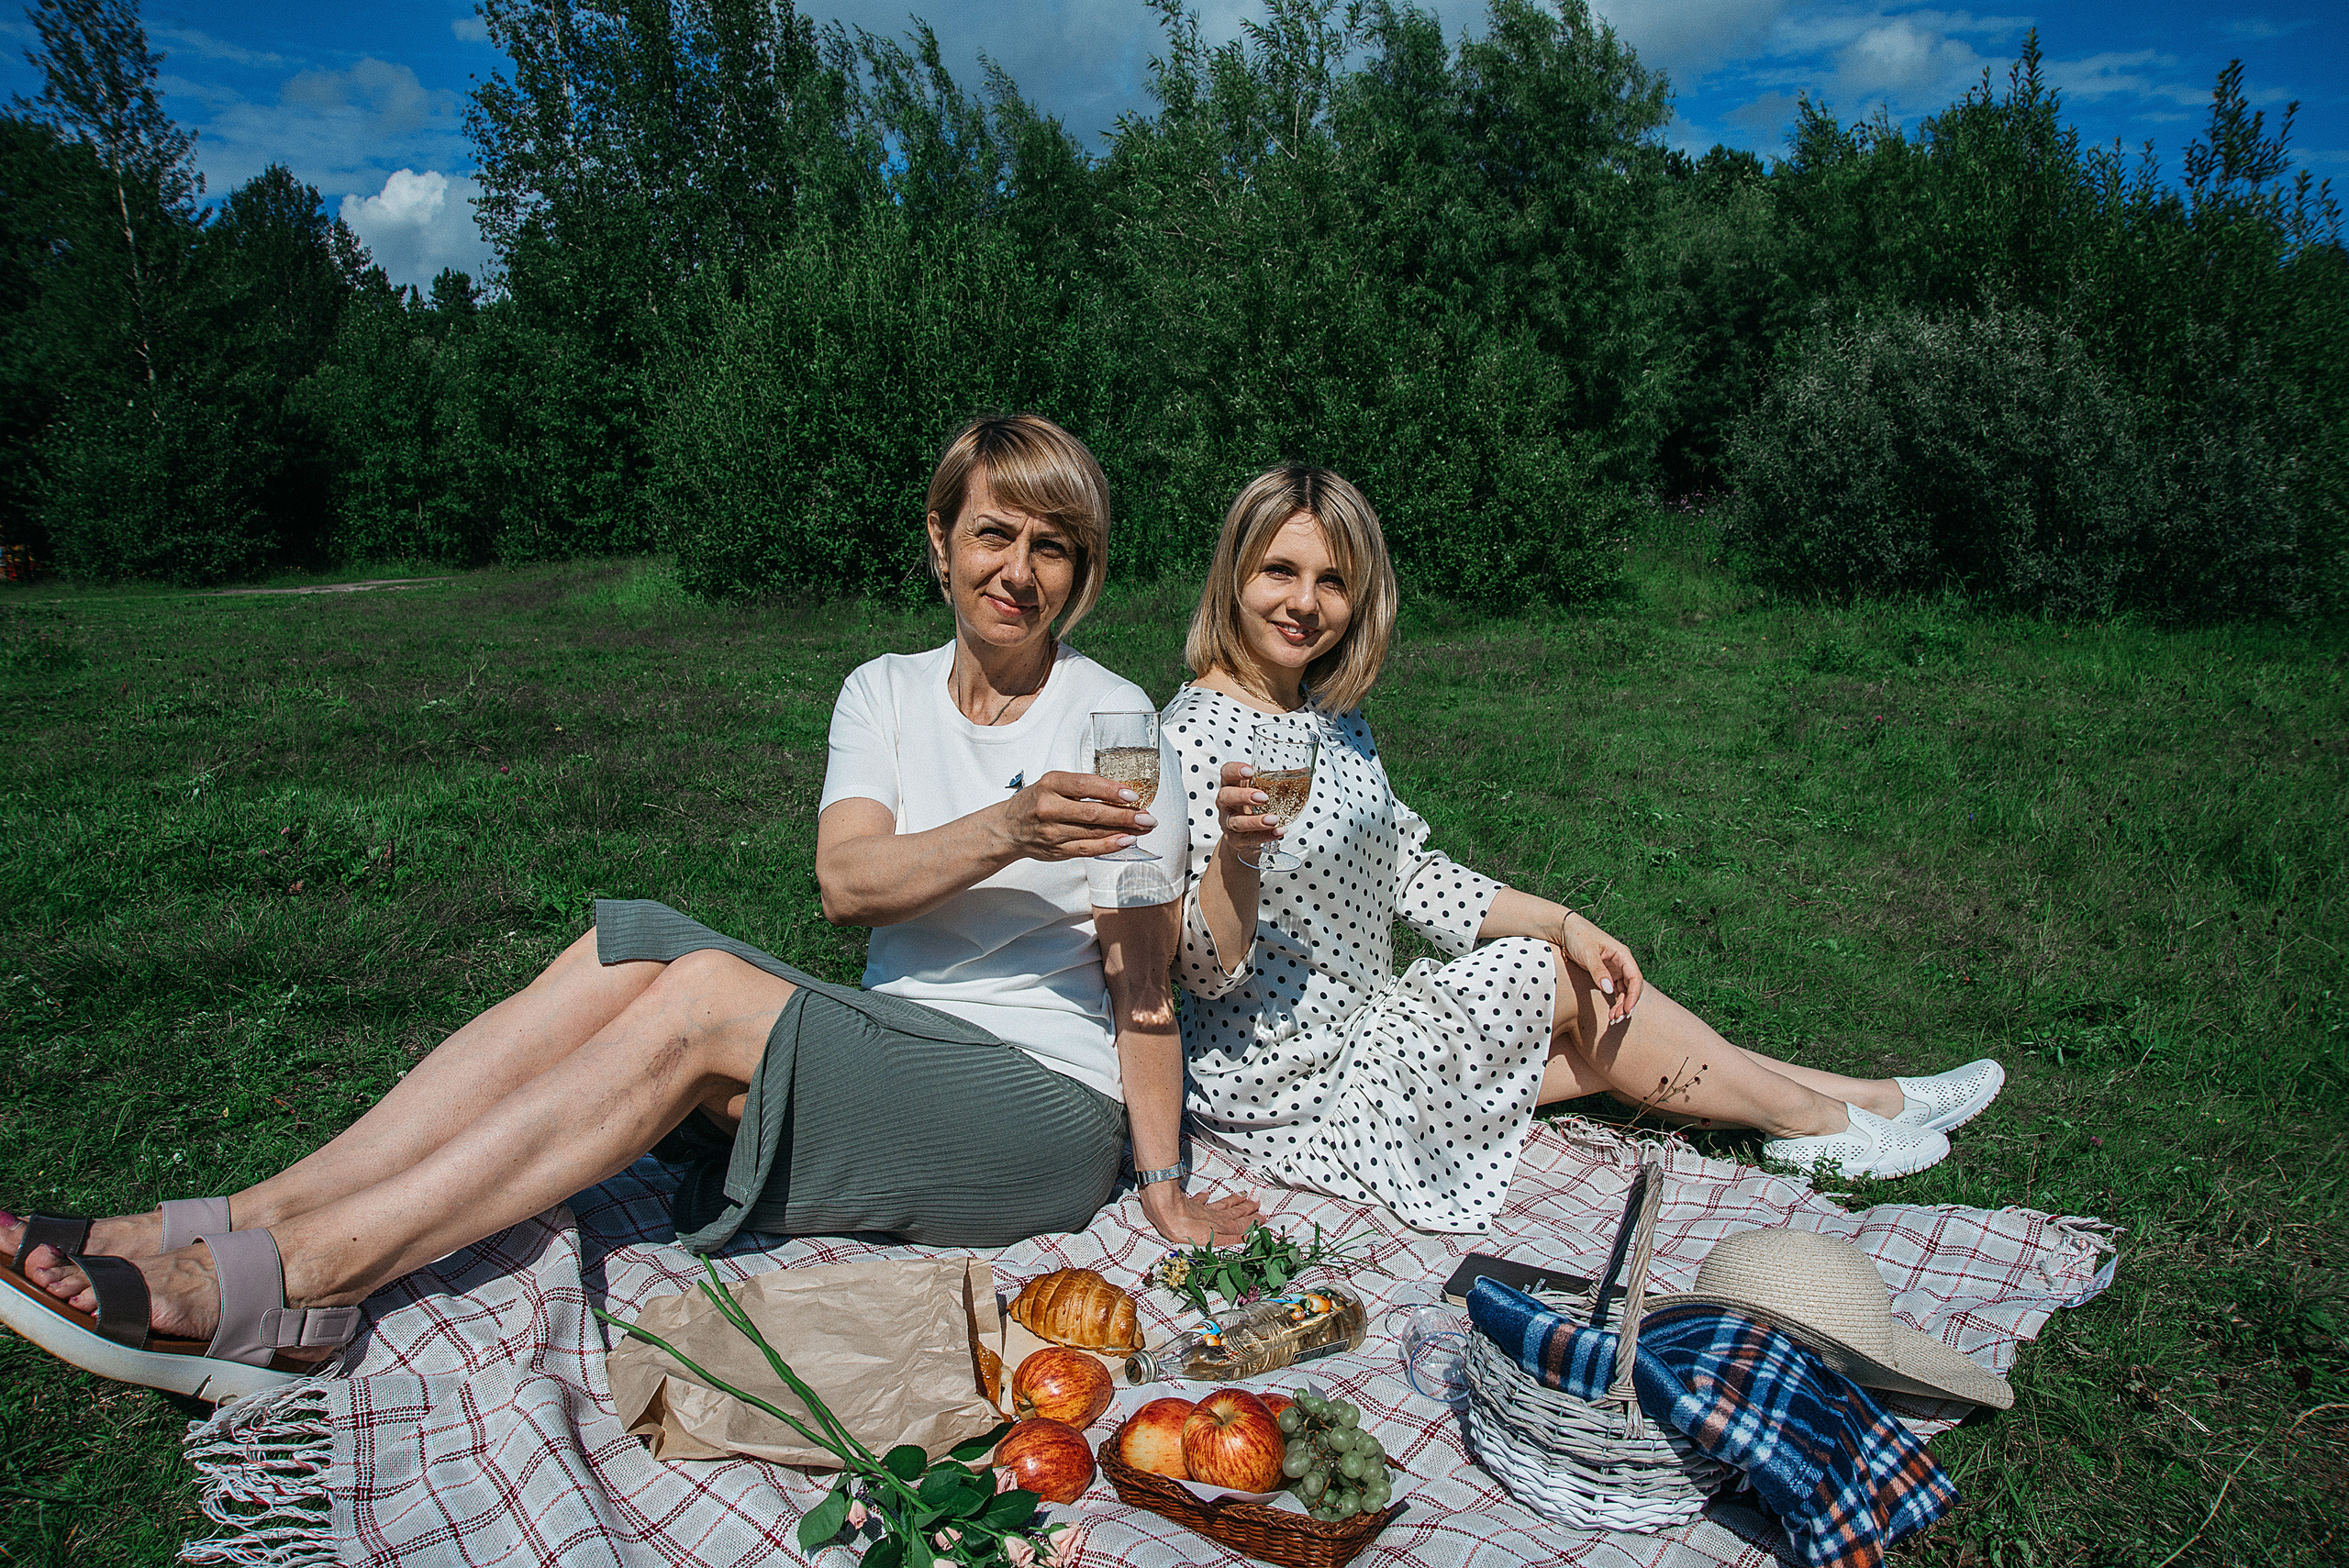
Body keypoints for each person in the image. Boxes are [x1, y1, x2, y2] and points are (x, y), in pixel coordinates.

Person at [0, 414, 1257, 1401]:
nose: (1017, 571)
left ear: (1082, 571)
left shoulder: (1110, 718)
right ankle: (231, 1217)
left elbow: (1143, 985)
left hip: (1036, 1109)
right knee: (624, 945)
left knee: (702, 997)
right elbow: (845, 884)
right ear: (939, 540)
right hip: (889, 1051)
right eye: (993, 534)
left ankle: (304, 1280)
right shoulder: (880, 692)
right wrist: (1012, 824)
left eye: (1053, 546)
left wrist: (1157, 1180)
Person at [1163, 464, 2003, 1234]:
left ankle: (1862, 1100)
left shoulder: (1333, 718)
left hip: (1371, 1034)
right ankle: (1817, 1122)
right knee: (1549, 983)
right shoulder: (1191, 739)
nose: (1304, 602)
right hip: (1288, 1094)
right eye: (1281, 570)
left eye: (1333, 580)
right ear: (1234, 574)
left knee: (1595, 1015)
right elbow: (1199, 970)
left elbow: (1411, 874)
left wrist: (1568, 921)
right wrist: (1236, 856)